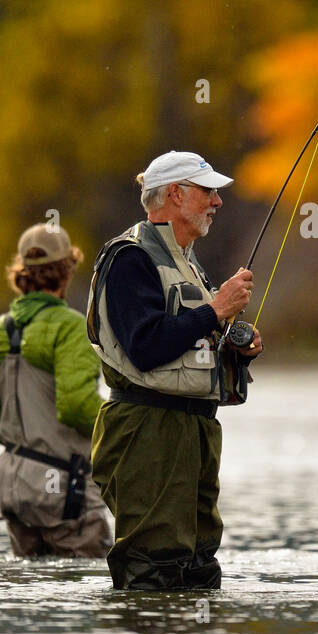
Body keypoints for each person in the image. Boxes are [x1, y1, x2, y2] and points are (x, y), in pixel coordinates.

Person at [86, 150, 263, 590]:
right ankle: (144, 629)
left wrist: (237, 349)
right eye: (208, 192)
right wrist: (215, 310)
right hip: (147, 430)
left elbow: (186, 342)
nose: (217, 202)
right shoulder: (130, 259)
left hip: (194, 430)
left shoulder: (186, 260)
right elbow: (145, 348)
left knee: (198, 566)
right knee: (153, 564)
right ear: (176, 195)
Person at [0, 223, 112, 558]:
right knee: (90, 580)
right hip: (62, 485)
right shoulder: (71, 328)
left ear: (21, 273)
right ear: (67, 270)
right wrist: (122, 427)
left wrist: (27, 439)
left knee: (29, 585)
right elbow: (76, 406)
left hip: (11, 484)